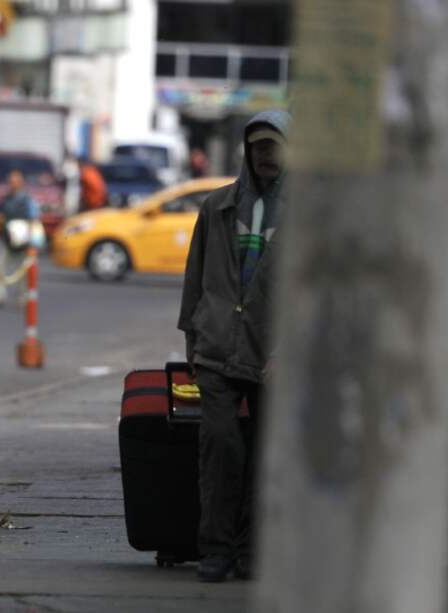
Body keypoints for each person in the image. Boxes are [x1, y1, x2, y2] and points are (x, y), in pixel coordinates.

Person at [178, 109, 291, 582]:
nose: (267, 154)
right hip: (218, 349)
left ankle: (252, 552)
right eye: (259, 146)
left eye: (276, 146)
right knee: (221, 449)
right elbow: (195, 278)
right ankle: (217, 551)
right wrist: (193, 339)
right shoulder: (217, 206)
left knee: (267, 457)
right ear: (248, 151)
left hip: (274, 356)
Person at [0, 170, 41, 306]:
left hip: (23, 240)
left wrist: (33, 241)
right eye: (10, 181)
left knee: (22, 270)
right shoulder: (7, 198)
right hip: (7, 238)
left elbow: (33, 220)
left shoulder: (27, 200)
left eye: (14, 181)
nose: (12, 184)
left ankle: (22, 297)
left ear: (21, 183)